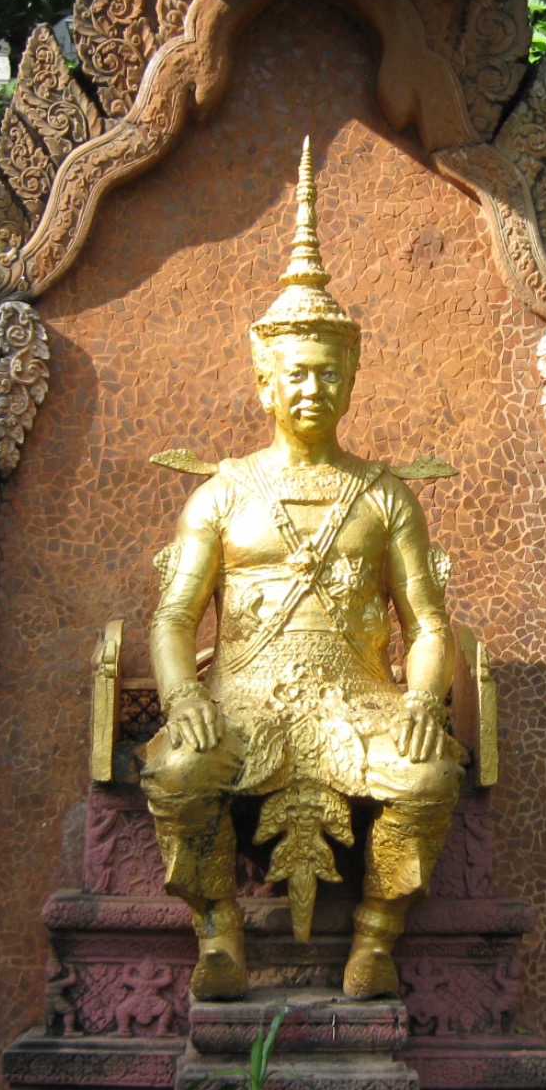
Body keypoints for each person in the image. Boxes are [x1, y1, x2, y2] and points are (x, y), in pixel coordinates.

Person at [140, 141, 465, 1002]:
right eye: (296, 374)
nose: (312, 388)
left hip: (359, 702)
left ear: (351, 377)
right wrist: (184, 697)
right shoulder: (222, 494)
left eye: (328, 372)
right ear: (264, 382)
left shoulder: (385, 495)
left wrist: (423, 702)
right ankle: (218, 932)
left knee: (429, 774)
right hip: (243, 697)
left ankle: (377, 936)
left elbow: (428, 623)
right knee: (177, 771)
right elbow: (174, 618)